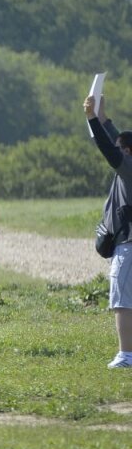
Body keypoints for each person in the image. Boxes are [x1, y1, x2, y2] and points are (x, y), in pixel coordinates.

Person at [84, 94, 132, 369]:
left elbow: (107, 147)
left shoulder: (127, 166)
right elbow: (113, 137)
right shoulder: (129, 161)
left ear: (126, 151)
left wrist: (91, 118)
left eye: (120, 148)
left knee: (123, 301)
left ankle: (126, 355)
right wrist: (101, 116)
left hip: (128, 244)